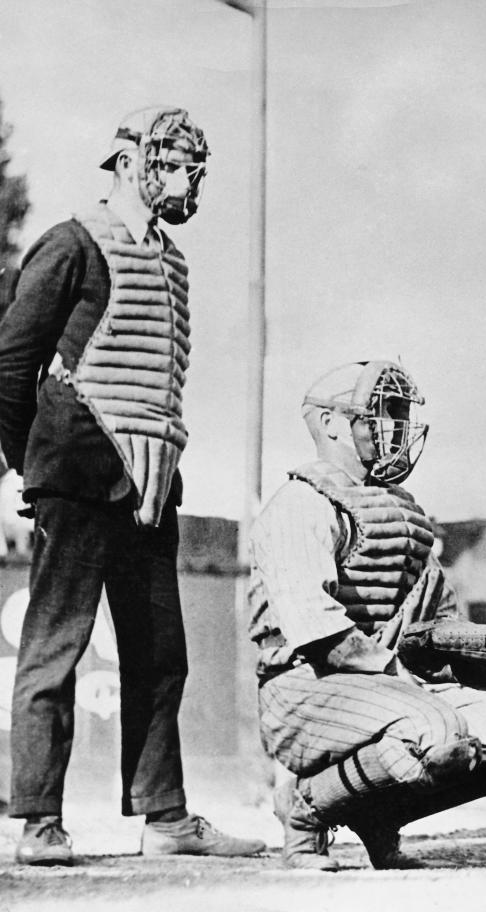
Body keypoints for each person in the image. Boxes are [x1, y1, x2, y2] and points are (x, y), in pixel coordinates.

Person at [0, 107, 265, 866]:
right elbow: (11, 365)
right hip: (79, 468)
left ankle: (164, 816)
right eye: (173, 161)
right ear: (127, 163)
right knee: (56, 646)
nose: (187, 178)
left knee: (159, 653)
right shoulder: (72, 243)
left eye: (193, 166)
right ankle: (40, 824)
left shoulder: (171, 261)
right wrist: (35, 462)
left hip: (152, 476)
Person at [248, 358, 486, 870]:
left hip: (387, 686)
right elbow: (323, 637)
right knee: (436, 733)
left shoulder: (403, 513)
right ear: (329, 424)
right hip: (303, 687)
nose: (395, 427)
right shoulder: (301, 503)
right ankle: (303, 811)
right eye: (381, 412)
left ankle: (377, 816)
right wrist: (403, 676)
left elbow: (437, 619)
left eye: (400, 413)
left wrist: (460, 650)